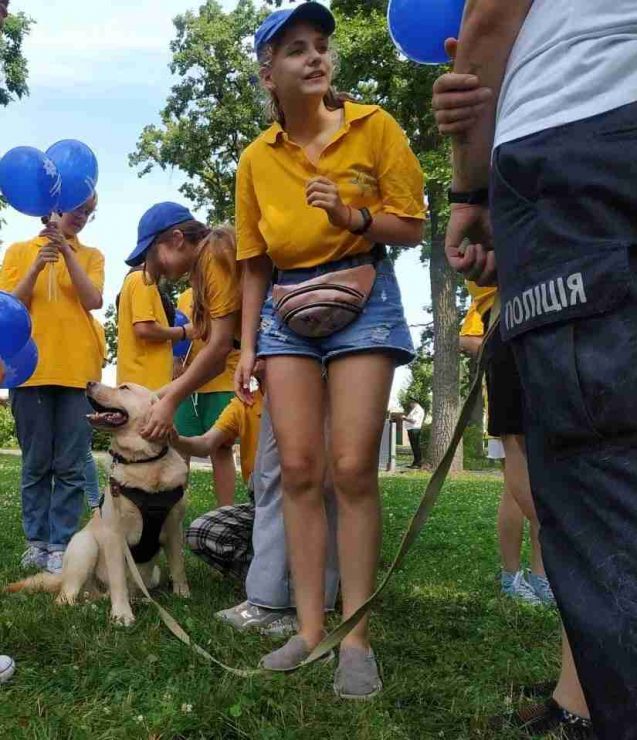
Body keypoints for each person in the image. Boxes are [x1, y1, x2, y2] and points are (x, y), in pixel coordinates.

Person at [436, 2, 637, 735]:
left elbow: (490, 15)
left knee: (595, 491)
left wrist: (469, 185)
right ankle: (576, 698)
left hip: (581, 151)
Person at [234, 3, 425, 699]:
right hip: (286, 311)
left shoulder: (375, 128)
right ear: (268, 73)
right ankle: (309, 630)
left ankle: (357, 637)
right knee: (300, 470)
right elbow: (253, 261)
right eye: (295, 50)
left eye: (320, 46)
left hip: (363, 299)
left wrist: (349, 214)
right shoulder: (256, 158)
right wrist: (245, 346)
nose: (314, 57)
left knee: (351, 467)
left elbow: (410, 225)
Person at [0, 195, 103, 575]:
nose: (82, 217)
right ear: (54, 206)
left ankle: (60, 544)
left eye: (89, 213)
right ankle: (36, 542)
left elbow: (93, 300)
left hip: (78, 372)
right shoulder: (18, 251)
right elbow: (9, 306)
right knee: (37, 463)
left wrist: (67, 254)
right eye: (77, 208)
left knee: (72, 466)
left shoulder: (92, 255)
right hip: (29, 371)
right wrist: (38, 265)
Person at [125, 205, 242, 466]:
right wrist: (156, 397)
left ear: (177, 239)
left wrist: (171, 401)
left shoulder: (214, 253)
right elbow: (215, 354)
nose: (154, 268)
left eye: (154, 257)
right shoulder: (201, 270)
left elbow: (220, 348)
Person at [460, 283, 553, 606]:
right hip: (507, 369)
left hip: (539, 355)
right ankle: (511, 576)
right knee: (516, 491)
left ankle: (542, 577)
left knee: (542, 482)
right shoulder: (494, 291)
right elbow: (468, 338)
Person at [176, 265, 239, 507]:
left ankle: (225, 512)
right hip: (187, 386)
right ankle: (175, 512)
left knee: (220, 449)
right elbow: (181, 340)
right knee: (180, 448)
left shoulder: (226, 290)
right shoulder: (184, 297)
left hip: (222, 381)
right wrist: (176, 362)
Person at [116, 265, 187, 392]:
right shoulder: (142, 279)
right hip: (146, 386)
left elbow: (167, 343)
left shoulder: (136, 290)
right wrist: (184, 332)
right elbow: (144, 329)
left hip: (143, 384)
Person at [402, 399, 424, 469]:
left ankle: (418, 463)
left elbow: (413, 420)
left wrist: (404, 418)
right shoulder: (415, 409)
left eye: (410, 403)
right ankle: (415, 462)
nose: (410, 405)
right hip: (412, 429)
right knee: (414, 447)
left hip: (415, 429)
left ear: (414, 403)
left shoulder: (418, 410)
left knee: (416, 447)